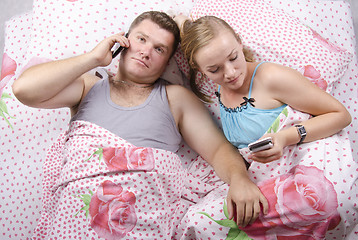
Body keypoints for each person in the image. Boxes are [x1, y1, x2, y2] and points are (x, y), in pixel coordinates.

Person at [12, 11, 268, 228]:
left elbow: (218, 150)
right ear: (123, 41)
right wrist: (92, 58)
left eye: (159, 49)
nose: (146, 52)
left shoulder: (175, 97)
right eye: (141, 39)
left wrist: (240, 180)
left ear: (167, 62)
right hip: (78, 213)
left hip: (142, 216)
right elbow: (24, 89)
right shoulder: (89, 86)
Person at [175, 15, 351, 163]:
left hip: (304, 159)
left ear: (239, 42)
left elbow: (341, 115)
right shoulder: (213, 81)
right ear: (199, 69)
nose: (230, 73)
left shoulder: (271, 78)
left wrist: (286, 137)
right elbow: (191, 36)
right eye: (214, 69)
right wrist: (180, 21)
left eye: (234, 57)